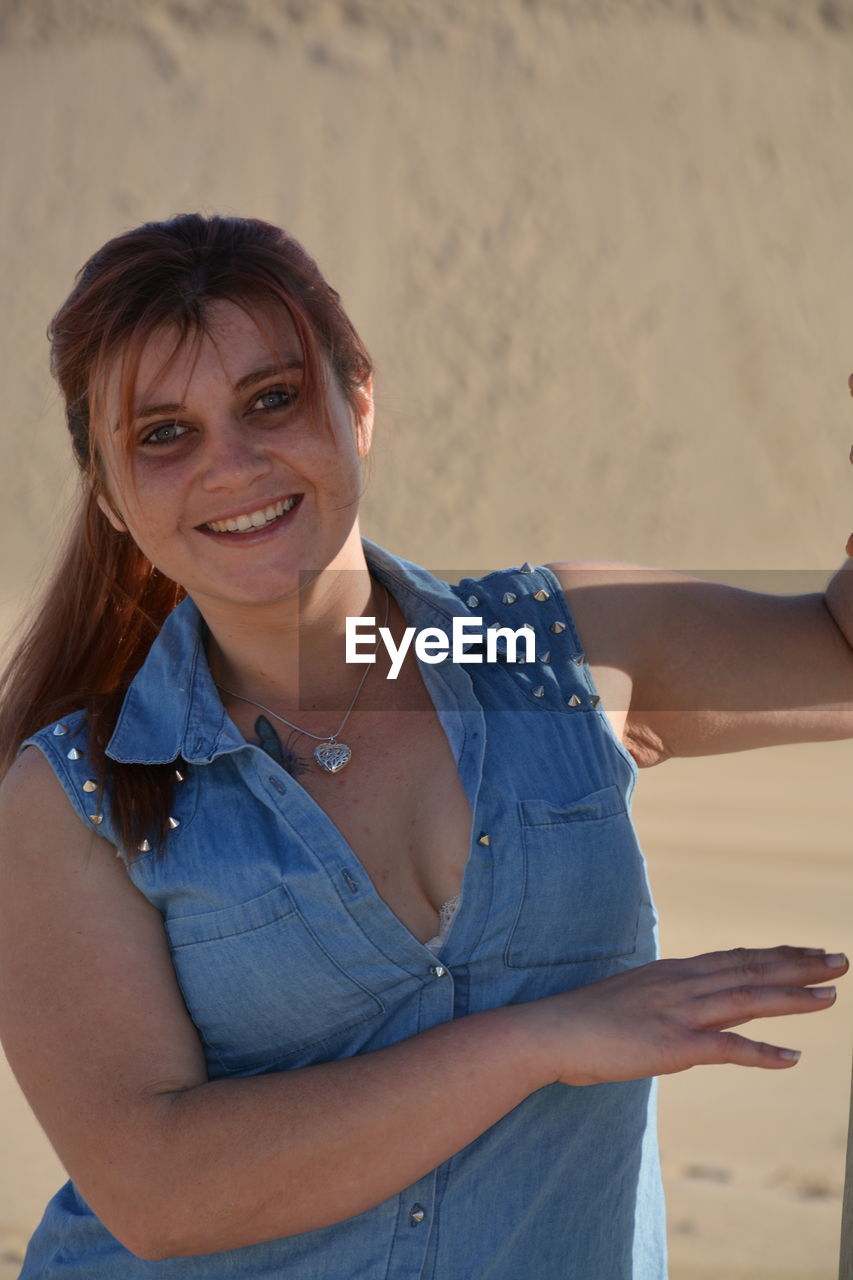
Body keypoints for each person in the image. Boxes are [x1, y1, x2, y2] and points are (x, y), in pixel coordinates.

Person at [0, 213, 850, 1280]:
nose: (235, 462)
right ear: (112, 499)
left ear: (360, 401)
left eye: (273, 399)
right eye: (164, 434)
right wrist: (542, 1038)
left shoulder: (541, 647)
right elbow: (159, 1188)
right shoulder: (73, 790)